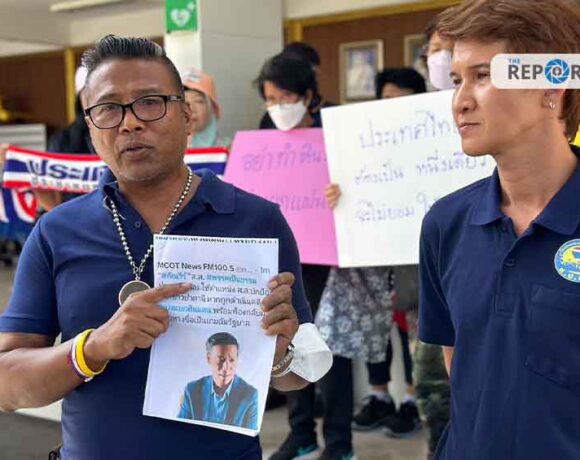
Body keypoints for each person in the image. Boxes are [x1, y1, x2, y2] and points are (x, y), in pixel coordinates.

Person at [0, 35, 331, 460]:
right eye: (108, 108)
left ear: (187, 115)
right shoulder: (56, 232)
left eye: (150, 102)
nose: (129, 123)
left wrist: (280, 355)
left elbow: (297, 376)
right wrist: (93, 348)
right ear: (91, 129)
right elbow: (7, 386)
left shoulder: (257, 222)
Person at [418, 1, 580, 459]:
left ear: (552, 86)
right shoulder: (446, 223)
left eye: (484, 75)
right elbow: (462, 368)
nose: (461, 101)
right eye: (457, 80)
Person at [323, 69, 425, 442]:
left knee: (414, 324)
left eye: (401, 98)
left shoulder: (431, 139)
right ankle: (379, 395)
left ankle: (412, 400)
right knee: (374, 322)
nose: (391, 106)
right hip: (374, 252)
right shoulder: (363, 142)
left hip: (416, 254)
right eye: (386, 99)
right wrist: (338, 195)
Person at [256, 53, 333, 460]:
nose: (277, 107)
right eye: (270, 99)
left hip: (329, 256)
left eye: (285, 97)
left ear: (308, 96)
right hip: (285, 256)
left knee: (331, 344)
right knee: (290, 339)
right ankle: (301, 431)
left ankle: (338, 440)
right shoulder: (265, 131)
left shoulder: (333, 128)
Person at [177, 332, 258, 430]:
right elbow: (180, 429)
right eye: (221, 360)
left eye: (232, 360)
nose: (226, 368)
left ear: (237, 359)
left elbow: (249, 435)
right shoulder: (192, 390)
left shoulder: (250, 395)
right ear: (208, 358)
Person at [259, 42, 334, 130]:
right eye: (271, 99)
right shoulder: (268, 121)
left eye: (286, 96)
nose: (279, 106)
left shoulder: (334, 118)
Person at [181, 69, 230, 148]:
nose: (191, 108)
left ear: (212, 109)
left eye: (198, 101)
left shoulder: (230, 149)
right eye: (184, 101)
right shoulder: (168, 151)